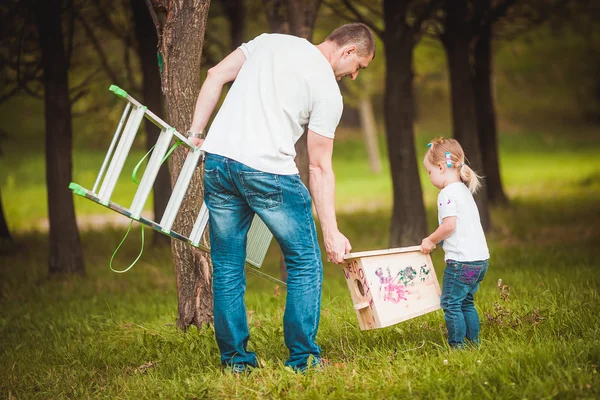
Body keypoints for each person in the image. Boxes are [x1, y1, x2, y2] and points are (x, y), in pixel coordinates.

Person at [186, 23, 376, 372]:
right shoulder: (327, 91)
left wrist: (197, 134)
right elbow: (318, 166)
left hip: (218, 162)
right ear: (348, 51)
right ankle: (303, 360)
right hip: (268, 172)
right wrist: (331, 232)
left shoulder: (269, 42)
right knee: (305, 262)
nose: (353, 76)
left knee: (227, 266)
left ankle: (236, 363)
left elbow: (215, 75)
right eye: (358, 67)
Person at [419, 138, 490, 349]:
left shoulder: (446, 194)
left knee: (451, 303)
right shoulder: (463, 190)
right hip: (479, 262)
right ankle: (474, 343)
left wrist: (430, 240)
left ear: (441, 167)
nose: (430, 177)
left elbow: (449, 225)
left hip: (461, 264)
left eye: (430, 172)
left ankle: (457, 346)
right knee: (466, 302)